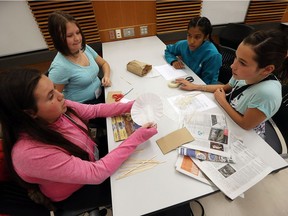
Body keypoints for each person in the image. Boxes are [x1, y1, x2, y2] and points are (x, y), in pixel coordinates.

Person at [0, 68, 157, 213]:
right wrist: (136, 137)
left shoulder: (58, 108)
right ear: (30, 113)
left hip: (90, 159)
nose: (60, 95)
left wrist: (133, 105)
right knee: (139, 190)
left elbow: (95, 110)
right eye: (50, 96)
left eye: (54, 88)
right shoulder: (29, 154)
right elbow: (96, 173)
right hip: (77, 190)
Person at [175, 29, 288, 138]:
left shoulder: (267, 93)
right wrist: (195, 87)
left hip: (247, 134)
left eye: (242, 63)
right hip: (229, 115)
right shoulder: (244, 75)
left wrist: (223, 101)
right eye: (236, 57)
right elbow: (226, 88)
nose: (232, 66)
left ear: (267, 69)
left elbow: (246, 125)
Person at [48, 10, 111, 104]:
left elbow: (104, 63)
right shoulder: (59, 68)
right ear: (58, 39)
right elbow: (55, 100)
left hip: (101, 94)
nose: (77, 39)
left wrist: (106, 76)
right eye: (69, 35)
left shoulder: (84, 48)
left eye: (78, 33)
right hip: (84, 107)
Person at [164, 16, 222, 84]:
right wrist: (173, 61)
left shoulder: (213, 56)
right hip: (187, 78)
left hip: (202, 87)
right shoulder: (184, 44)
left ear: (206, 37)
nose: (191, 41)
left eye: (197, 37)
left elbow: (208, 84)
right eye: (189, 35)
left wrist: (191, 85)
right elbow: (168, 50)